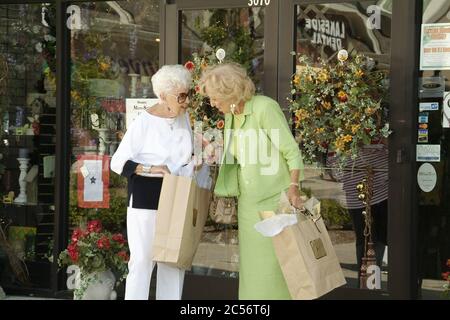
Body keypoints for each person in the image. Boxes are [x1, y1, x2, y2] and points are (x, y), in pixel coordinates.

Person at [199, 63, 304, 299]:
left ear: (230, 92)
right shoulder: (231, 117)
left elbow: (292, 152)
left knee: (276, 268)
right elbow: (240, 156)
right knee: (252, 269)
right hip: (248, 204)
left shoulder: (265, 108)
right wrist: (215, 150)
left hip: (275, 203)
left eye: (215, 98)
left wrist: (294, 188)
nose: (213, 103)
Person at [111, 65, 194, 300]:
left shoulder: (183, 118)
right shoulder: (143, 122)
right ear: (163, 95)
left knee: (173, 262)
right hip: (145, 198)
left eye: (188, 94)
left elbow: (183, 157)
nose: (186, 101)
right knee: (142, 262)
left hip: (176, 196)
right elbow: (118, 162)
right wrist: (151, 168)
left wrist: (196, 162)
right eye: (181, 96)